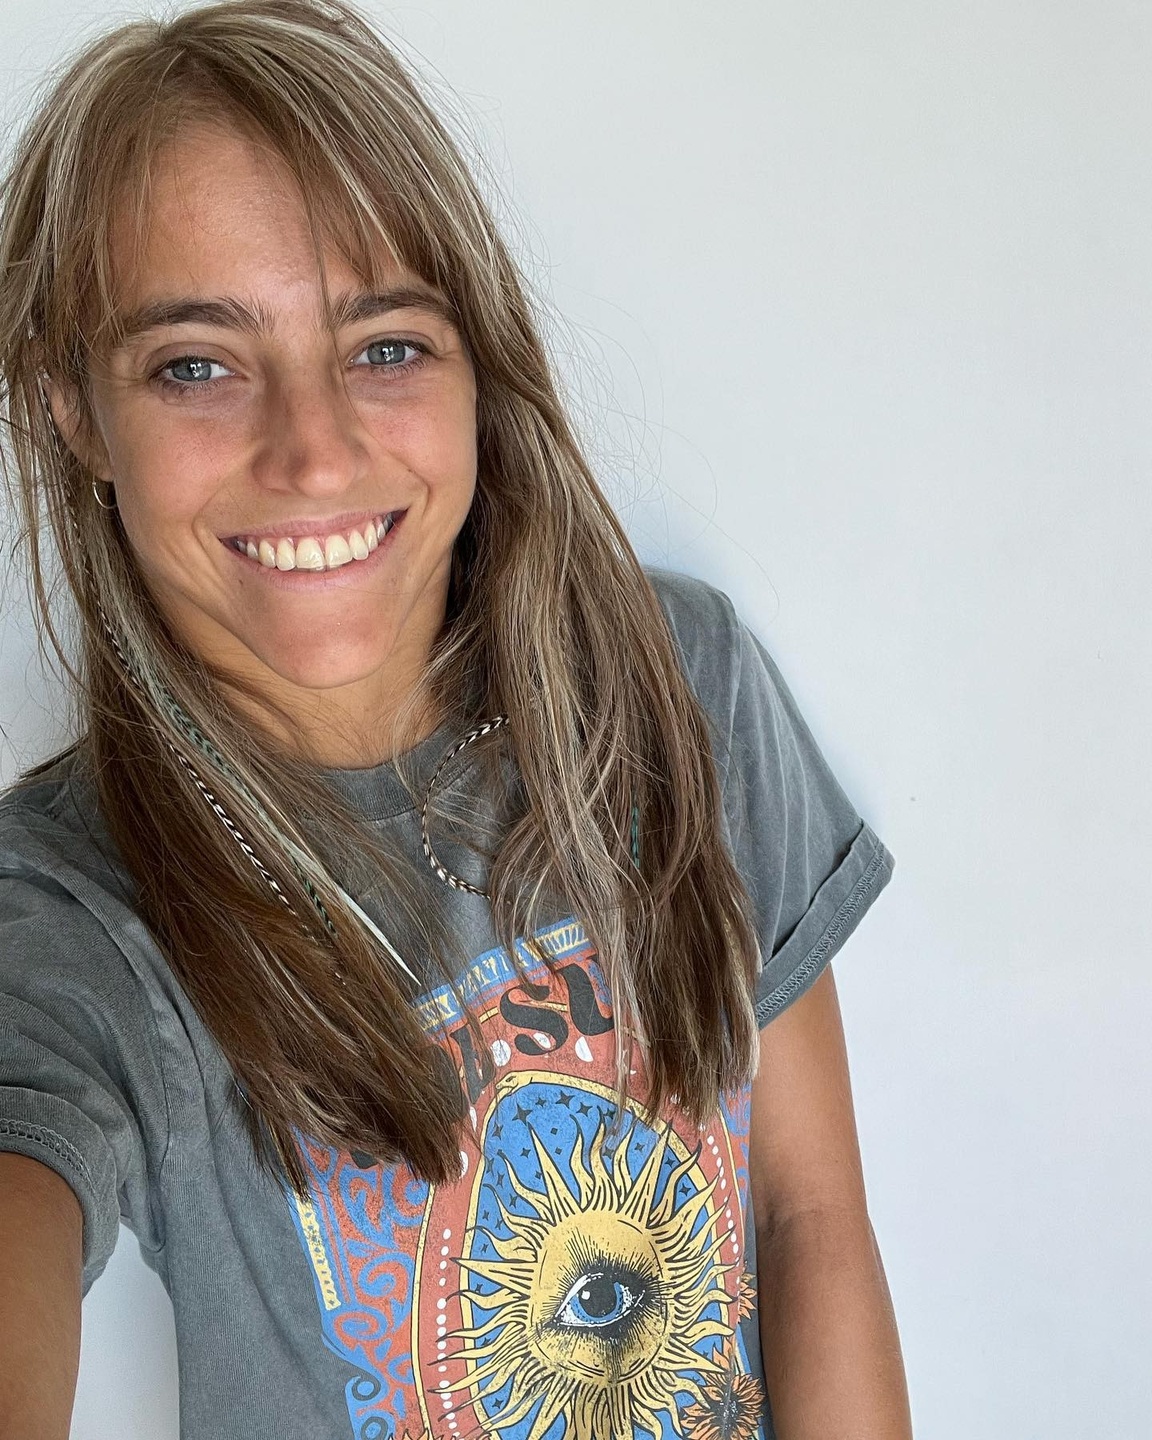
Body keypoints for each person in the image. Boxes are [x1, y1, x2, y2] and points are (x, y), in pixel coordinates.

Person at [0, 2, 911, 1437]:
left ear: (478, 364)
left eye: (384, 346)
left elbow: (808, 1219)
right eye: (195, 364)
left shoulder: (676, 682)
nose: (314, 453)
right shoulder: (68, 913)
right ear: (70, 408)